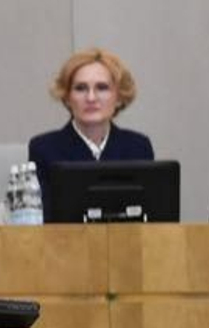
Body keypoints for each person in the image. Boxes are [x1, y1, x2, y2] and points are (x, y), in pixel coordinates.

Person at [27, 48, 153, 211]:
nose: (91, 98)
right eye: (80, 88)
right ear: (67, 97)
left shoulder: (137, 147)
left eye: (102, 88)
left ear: (119, 96)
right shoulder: (44, 148)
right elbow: (43, 220)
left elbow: (150, 217)